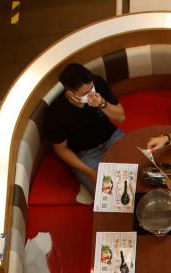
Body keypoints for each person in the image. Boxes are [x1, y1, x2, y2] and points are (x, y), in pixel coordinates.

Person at [46, 62, 127, 204]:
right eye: (85, 93)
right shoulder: (56, 113)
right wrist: (90, 172)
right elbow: (61, 150)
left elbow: (121, 117)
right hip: (85, 153)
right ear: (70, 93)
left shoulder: (98, 84)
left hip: (111, 137)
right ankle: (86, 187)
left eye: (92, 89)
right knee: (109, 197)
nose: (92, 94)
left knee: (142, 168)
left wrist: (102, 103)